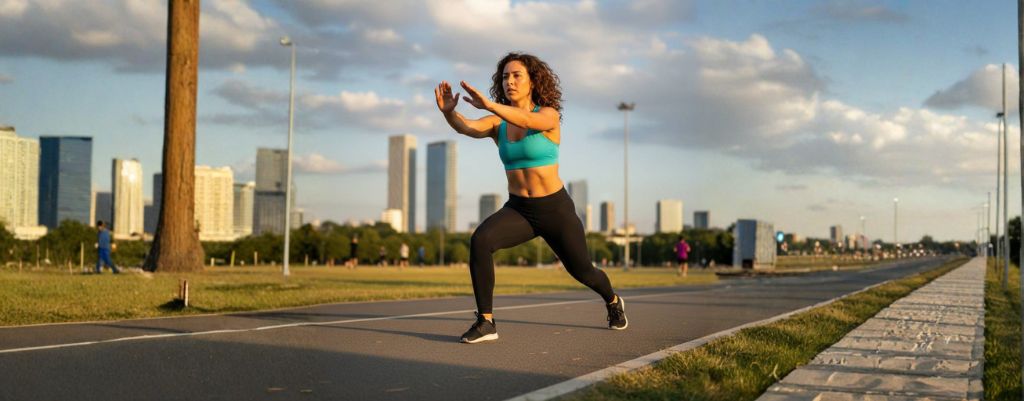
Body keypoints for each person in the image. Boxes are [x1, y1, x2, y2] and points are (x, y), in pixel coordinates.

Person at [436, 52, 627, 344]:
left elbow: (526, 119)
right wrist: (450, 112)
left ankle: (612, 300)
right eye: (504, 77)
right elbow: (467, 126)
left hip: (555, 209)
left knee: (584, 271)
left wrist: (490, 104)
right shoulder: (497, 124)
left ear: (533, 82)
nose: (509, 81)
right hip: (519, 210)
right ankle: (486, 322)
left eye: (516, 76)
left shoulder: (547, 115)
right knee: (481, 240)